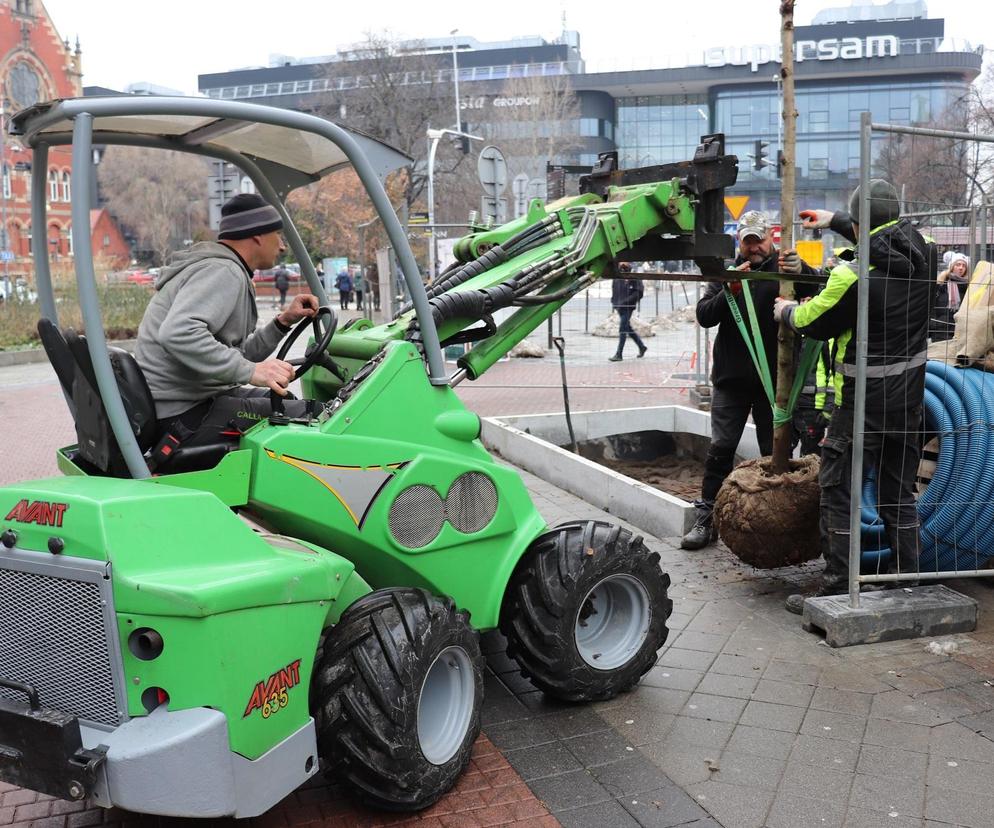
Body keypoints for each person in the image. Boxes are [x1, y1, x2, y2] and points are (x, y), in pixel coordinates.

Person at [776, 179, 932, 613]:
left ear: (861, 227)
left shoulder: (852, 276)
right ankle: (906, 583)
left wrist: (785, 311)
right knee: (897, 494)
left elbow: (813, 321)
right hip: (908, 405)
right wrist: (835, 222)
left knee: (839, 492)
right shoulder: (926, 253)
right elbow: (885, 237)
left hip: (859, 406)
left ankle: (837, 586)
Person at [135, 193, 319, 447]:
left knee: (287, 400)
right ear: (257, 235)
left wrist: (283, 322)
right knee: (312, 416)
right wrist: (252, 371)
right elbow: (178, 333)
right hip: (182, 414)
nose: (282, 246)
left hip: (189, 402)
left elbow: (234, 355)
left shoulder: (222, 269)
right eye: (277, 235)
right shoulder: (224, 271)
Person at [681, 210, 816, 550]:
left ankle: (781, 522)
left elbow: (822, 289)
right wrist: (731, 292)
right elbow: (704, 315)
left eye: (760, 241)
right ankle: (707, 516)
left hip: (777, 382)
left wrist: (805, 272)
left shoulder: (785, 269)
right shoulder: (728, 273)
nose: (754, 248)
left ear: (771, 237)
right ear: (740, 243)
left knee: (775, 452)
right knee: (721, 448)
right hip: (732, 380)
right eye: (748, 242)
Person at [609, 262, 647, 362]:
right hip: (619, 307)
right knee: (627, 328)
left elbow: (639, 292)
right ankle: (642, 346)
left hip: (627, 307)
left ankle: (619, 353)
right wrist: (614, 302)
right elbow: (614, 289)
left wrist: (626, 302)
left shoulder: (634, 277)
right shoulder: (617, 276)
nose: (622, 264)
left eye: (625, 262)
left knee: (623, 329)